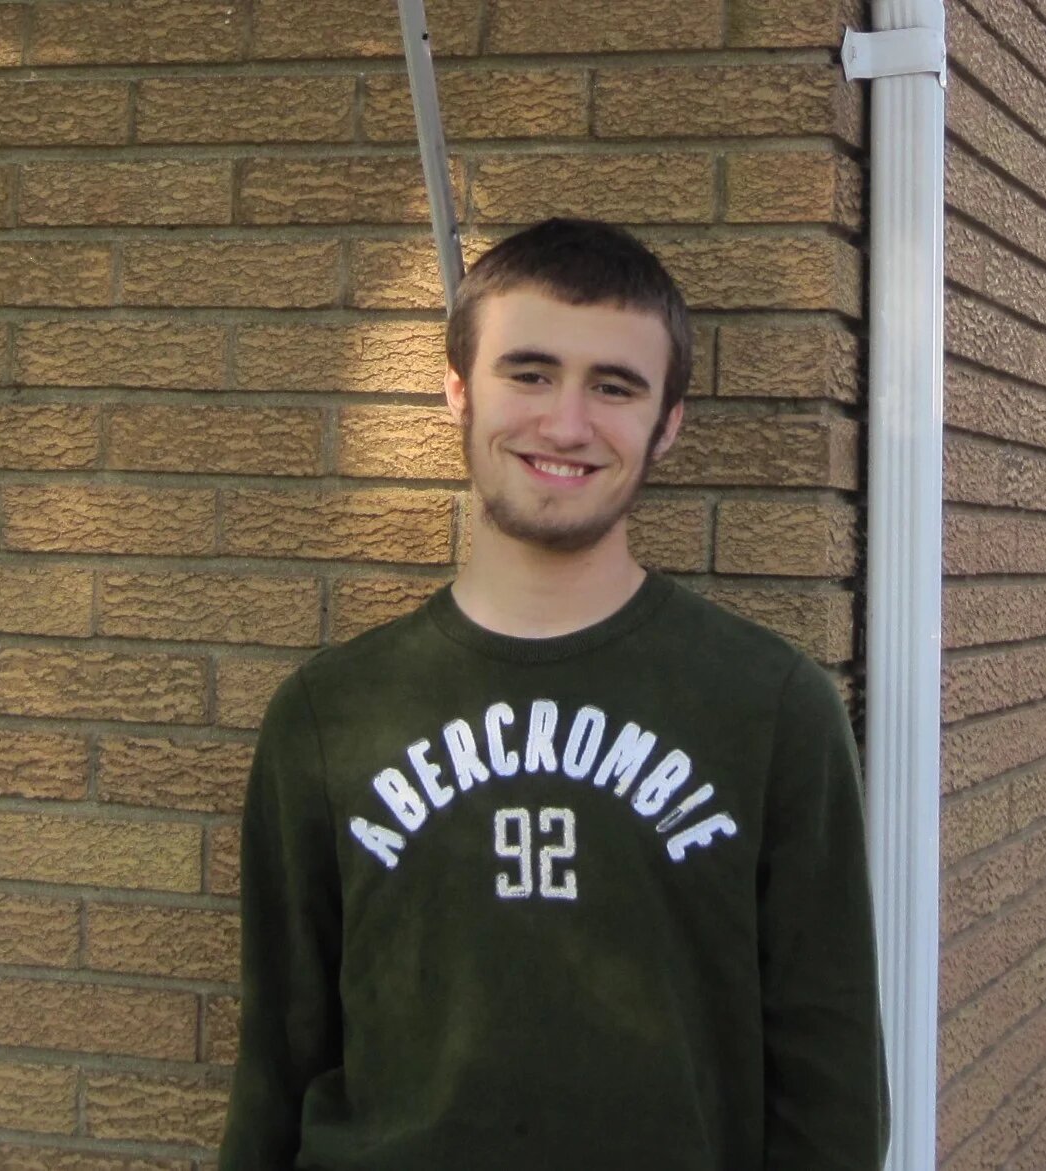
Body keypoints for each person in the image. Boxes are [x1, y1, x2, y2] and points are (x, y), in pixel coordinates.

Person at [217, 217, 888, 1170]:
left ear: (668, 423)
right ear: (458, 390)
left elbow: (833, 1089)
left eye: (614, 386)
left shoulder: (771, 710)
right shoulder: (330, 715)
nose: (566, 424)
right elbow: (275, 1066)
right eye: (528, 374)